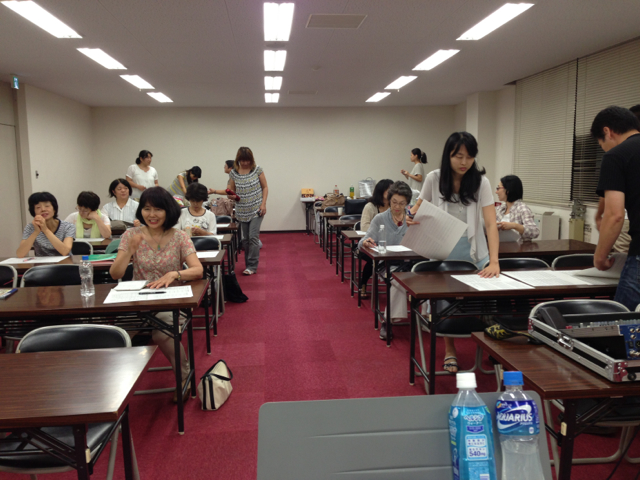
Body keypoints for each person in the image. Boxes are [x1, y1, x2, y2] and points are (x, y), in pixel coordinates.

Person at [410, 131, 500, 373]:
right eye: (458, 156)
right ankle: (450, 350)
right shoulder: (434, 178)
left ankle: (491, 348)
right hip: (444, 251)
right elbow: (418, 207)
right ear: (448, 155)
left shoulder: (481, 182)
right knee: (444, 305)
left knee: (486, 303)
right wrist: (410, 216)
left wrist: (494, 261)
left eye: (469, 157)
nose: (464, 162)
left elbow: (490, 223)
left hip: (475, 252)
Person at [109, 187, 203, 402]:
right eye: (147, 209)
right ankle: (114, 389)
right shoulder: (131, 235)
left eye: (158, 209)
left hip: (171, 301)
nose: (152, 214)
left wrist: (175, 274)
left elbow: (198, 270)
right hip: (138, 301)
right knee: (113, 334)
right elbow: (115, 274)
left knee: (163, 333)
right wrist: (129, 251)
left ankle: (184, 376)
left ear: (168, 211)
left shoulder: (179, 236)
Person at [591, 106, 640, 311]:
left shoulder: (616, 155)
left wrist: (600, 256)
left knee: (622, 320)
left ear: (607, 131)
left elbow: (615, 215)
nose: (604, 149)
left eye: (601, 143)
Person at [358, 181, 413, 340]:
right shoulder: (380, 218)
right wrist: (366, 242)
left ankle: (426, 318)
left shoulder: (412, 218)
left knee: (427, 276)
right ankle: (388, 321)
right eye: (394, 202)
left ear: (407, 203)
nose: (397, 206)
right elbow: (362, 242)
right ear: (389, 200)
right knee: (398, 280)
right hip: (388, 264)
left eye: (402, 203)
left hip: (411, 262)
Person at [228, 146, 268, 275]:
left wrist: (263, 204)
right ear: (238, 160)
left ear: (251, 159)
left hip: (256, 209)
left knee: (253, 238)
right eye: (242, 160)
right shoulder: (233, 173)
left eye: (247, 160)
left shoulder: (257, 170)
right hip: (241, 210)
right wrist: (231, 196)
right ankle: (247, 265)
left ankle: (252, 266)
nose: (245, 163)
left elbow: (265, 187)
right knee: (245, 239)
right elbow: (231, 190)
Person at [358, 178, 394, 298]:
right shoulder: (370, 206)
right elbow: (364, 227)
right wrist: (381, 232)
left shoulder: (393, 207)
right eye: (389, 190)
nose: (392, 192)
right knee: (373, 259)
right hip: (369, 243)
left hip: (389, 243)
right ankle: (363, 284)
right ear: (381, 191)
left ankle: (395, 287)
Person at [17, 192, 75, 257]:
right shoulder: (30, 227)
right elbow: (20, 254)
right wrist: (36, 232)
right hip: (41, 263)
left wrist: (45, 230)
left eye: (47, 206)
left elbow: (65, 251)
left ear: (54, 209)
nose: (43, 209)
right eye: (38, 207)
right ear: (34, 212)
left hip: (65, 262)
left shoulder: (68, 226)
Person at [494, 175, 539, 241]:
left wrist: (514, 226)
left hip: (517, 246)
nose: (496, 192)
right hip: (500, 245)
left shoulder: (522, 209)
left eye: (498, 188)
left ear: (508, 190)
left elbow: (535, 232)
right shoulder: (500, 209)